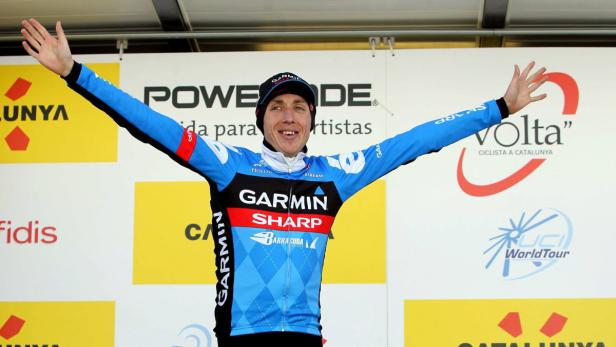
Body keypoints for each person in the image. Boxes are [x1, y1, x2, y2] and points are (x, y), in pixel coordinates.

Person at [20, 18, 547, 347]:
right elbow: (151, 123)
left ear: (312, 121)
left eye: (300, 106)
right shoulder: (229, 165)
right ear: (262, 121)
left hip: (304, 337)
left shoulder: (334, 175)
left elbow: (414, 140)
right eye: (277, 107)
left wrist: (498, 109)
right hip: (241, 337)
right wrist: (75, 74)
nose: (289, 115)